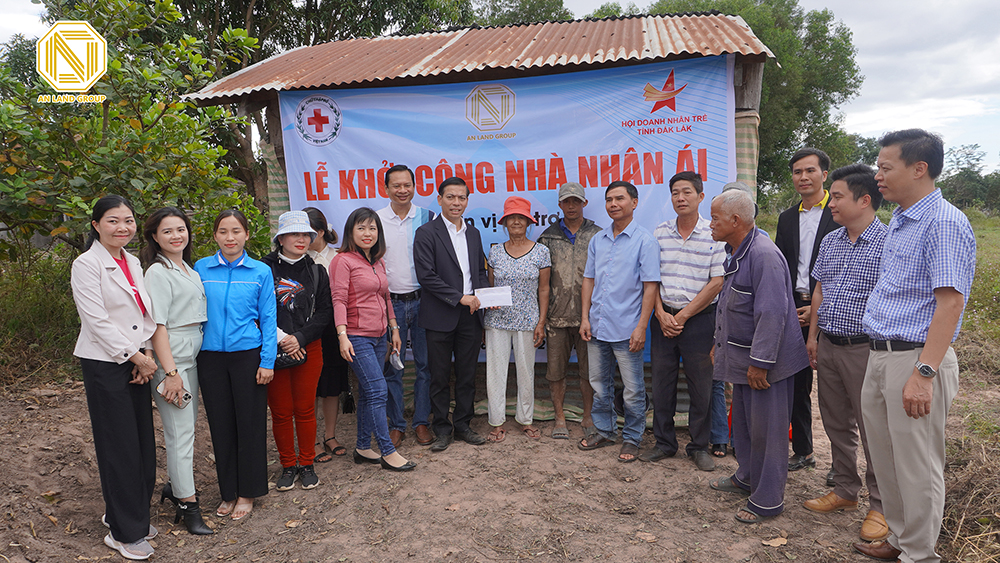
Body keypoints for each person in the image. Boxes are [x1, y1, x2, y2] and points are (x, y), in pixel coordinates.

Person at [853, 129, 976, 563]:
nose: (878, 176)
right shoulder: (903, 221)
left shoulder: (942, 221)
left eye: (886, 168)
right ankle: (901, 539)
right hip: (881, 353)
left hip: (915, 358)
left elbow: (951, 302)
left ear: (918, 168)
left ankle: (920, 554)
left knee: (917, 464)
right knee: (887, 458)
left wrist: (924, 374)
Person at [708, 189, 809, 524]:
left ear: (735, 221)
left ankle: (767, 501)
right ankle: (747, 476)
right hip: (744, 359)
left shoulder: (763, 255)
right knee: (747, 427)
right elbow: (731, 306)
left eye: (715, 218)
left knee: (769, 432)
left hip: (766, 364)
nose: (710, 225)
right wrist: (718, 343)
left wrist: (760, 363)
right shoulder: (738, 250)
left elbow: (772, 314)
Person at [801, 164, 888, 541]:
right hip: (830, 345)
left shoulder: (888, 243)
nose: (830, 203)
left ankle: (882, 505)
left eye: (837, 197)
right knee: (836, 423)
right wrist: (813, 337)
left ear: (864, 200)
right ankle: (845, 491)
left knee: (874, 429)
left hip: (865, 349)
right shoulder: (832, 241)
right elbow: (818, 292)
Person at [71, 195, 158, 559]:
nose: (122, 227)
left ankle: (129, 513)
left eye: (128, 220)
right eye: (112, 221)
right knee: (118, 445)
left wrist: (147, 355)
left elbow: (143, 311)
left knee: (141, 443)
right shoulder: (86, 264)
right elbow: (97, 321)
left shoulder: (133, 260)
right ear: (96, 225)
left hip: (138, 360)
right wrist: (136, 356)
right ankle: (124, 532)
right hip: (106, 363)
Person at [195, 209, 277, 521]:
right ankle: (228, 491)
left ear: (246, 235)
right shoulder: (201, 268)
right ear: (215, 235)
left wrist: (267, 361)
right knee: (220, 425)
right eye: (223, 232)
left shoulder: (260, 271)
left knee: (250, 425)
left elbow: (269, 319)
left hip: (248, 356)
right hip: (210, 357)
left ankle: (248, 492)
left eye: (236, 231)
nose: (230, 238)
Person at [642, 171, 726, 472]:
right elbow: (651, 278)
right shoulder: (660, 232)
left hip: (700, 321)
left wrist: (683, 315)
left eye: (687, 192)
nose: (681, 198)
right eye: (676, 192)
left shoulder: (713, 234)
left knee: (701, 387)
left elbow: (717, 282)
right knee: (661, 384)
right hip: (663, 319)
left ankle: (698, 446)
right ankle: (664, 443)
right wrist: (661, 313)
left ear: (701, 197)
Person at [140, 207, 212, 536]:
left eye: (181, 229)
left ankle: (174, 487)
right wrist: (170, 372)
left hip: (193, 353)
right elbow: (157, 326)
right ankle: (188, 505)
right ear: (154, 236)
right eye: (167, 231)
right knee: (180, 435)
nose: (176, 236)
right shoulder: (157, 272)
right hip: (175, 359)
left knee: (188, 431)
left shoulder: (189, 269)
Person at [578, 181, 659, 463]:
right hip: (597, 326)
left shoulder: (645, 241)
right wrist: (585, 317)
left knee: (633, 389)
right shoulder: (598, 240)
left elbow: (651, 287)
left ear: (634, 203)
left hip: (627, 330)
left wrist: (641, 327)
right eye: (609, 199)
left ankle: (633, 438)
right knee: (599, 384)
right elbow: (589, 279)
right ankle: (604, 430)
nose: (613, 204)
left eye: (620, 199)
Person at [330, 208, 413, 471]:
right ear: (351, 232)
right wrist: (342, 336)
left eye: (373, 228)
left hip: (380, 337)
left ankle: (363, 447)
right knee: (378, 390)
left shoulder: (376, 261)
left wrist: (394, 328)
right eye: (361, 228)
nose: (368, 234)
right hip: (356, 337)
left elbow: (385, 297)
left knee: (368, 393)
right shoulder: (342, 261)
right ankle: (387, 451)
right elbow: (338, 299)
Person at [774, 148, 840, 475]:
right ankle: (804, 450)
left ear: (824, 174)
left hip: (831, 311)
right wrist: (792, 308)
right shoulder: (787, 218)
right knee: (798, 385)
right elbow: (781, 268)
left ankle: (839, 463)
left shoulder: (839, 212)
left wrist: (816, 311)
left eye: (810, 171)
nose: (803, 177)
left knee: (833, 390)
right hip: (794, 307)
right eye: (797, 172)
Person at [413, 176, 491, 452]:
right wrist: (459, 297)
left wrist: (483, 296)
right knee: (439, 375)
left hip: (470, 316)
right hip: (439, 316)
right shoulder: (426, 233)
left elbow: (479, 272)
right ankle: (442, 429)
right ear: (440, 199)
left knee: (468, 374)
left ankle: (463, 425)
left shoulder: (473, 233)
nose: (456, 203)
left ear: (467, 201)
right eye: (451, 197)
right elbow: (427, 277)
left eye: (462, 198)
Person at [262, 211, 334, 490]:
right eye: (294, 234)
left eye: (306, 234)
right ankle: (287, 465)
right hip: (273, 348)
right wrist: (283, 339)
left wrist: (300, 337)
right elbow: (257, 312)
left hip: (309, 347)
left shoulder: (317, 271)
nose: (301, 239)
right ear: (281, 238)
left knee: (305, 409)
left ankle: (306, 463)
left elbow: (325, 312)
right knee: (280, 411)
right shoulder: (263, 269)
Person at [375, 165, 436, 448]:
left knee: (426, 366)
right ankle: (397, 424)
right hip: (390, 306)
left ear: (415, 186)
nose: (402, 190)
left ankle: (422, 422)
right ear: (386, 189)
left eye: (407, 185)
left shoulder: (428, 217)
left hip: (424, 302)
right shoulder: (374, 220)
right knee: (393, 368)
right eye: (396, 185)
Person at [484, 196, 551, 442]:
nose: (516, 222)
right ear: (504, 222)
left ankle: (525, 420)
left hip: (528, 322)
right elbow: (490, 288)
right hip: (496, 323)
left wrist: (541, 322)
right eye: (511, 217)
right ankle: (497, 422)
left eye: (520, 218)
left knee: (526, 372)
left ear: (528, 222)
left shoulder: (541, 252)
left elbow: (544, 290)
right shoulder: (495, 252)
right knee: (496, 373)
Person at [537, 182, 600, 439]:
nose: (571, 206)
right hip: (556, 317)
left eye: (576, 201)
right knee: (555, 371)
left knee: (589, 371)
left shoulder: (598, 235)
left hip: (590, 318)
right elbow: (540, 283)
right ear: (560, 205)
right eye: (566, 202)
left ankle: (588, 416)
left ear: (584, 203)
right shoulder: (547, 237)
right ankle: (560, 417)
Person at [303, 207, 350, 462]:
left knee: (331, 386)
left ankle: (330, 436)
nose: (301, 238)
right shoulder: (294, 260)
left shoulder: (338, 258)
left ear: (320, 232)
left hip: (334, 331)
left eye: (307, 232)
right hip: (305, 332)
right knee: (308, 387)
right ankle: (309, 441)